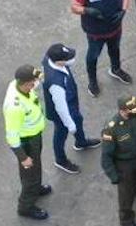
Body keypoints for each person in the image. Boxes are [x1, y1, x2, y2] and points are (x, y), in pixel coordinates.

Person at [71, 0, 134, 97]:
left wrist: (123, 10)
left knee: (115, 49)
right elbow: (74, 6)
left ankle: (116, 69)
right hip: (96, 33)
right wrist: (87, 11)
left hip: (115, 28)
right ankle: (92, 81)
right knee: (93, 56)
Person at [4, 64, 52, 220]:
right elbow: (12, 136)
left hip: (34, 136)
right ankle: (26, 206)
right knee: (29, 173)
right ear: (25, 83)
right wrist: (23, 157)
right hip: (26, 143)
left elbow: (39, 78)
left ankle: (36, 188)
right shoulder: (14, 107)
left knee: (36, 167)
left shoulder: (19, 84)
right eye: (33, 82)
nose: (35, 85)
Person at [42, 43, 99, 175]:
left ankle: (81, 142)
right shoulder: (56, 84)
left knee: (78, 119)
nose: (71, 59)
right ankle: (60, 160)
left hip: (71, 102)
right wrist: (69, 124)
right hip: (62, 112)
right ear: (59, 61)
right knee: (61, 134)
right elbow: (61, 107)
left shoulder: (49, 59)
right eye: (67, 58)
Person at [100, 94, 136, 226]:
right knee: (125, 196)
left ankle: (135, 187)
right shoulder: (112, 128)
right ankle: (126, 220)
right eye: (132, 110)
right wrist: (114, 176)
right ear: (123, 111)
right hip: (124, 163)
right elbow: (106, 156)